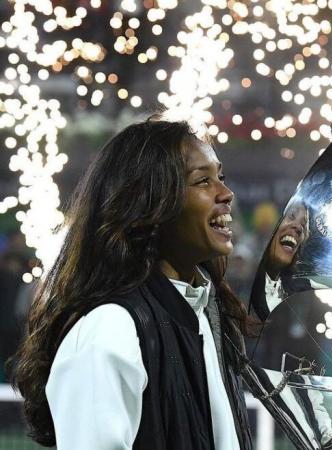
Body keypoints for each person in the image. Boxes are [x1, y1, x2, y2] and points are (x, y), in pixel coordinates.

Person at [9, 118, 258, 450]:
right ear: (149, 203)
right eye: (203, 181)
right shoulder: (109, 330)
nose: (226, 194)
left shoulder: (206, 314)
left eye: (221, 178)